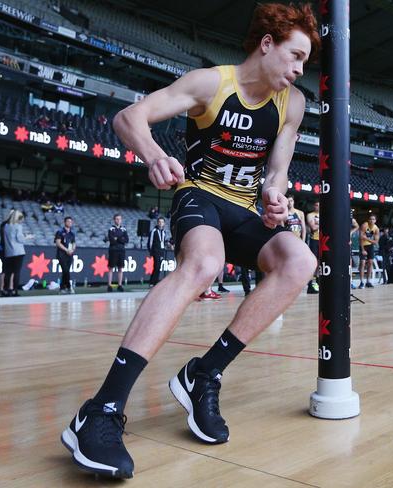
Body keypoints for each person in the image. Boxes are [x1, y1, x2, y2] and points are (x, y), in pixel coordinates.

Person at [61, 3, 319, 478]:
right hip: (198, 194)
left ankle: (204, 372)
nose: (301, 69)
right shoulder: (211, 84)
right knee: (204, 265)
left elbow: (278, 171)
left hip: (244, 207)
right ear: (267, 44)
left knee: (300, 262)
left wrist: (276, 196)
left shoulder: (293, 103)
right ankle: (100, 410)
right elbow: (130, 118)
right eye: (295, 55)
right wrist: (155, 154)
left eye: (306, 61)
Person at [3, 210, 31, 297]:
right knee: (16, 272)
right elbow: (20, 239)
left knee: (8, 272)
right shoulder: (18, 226)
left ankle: (8, 290)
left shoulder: (6, 226)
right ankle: (15, 290)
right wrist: (27, 237)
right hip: (18, 251)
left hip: (9, 251)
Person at [107, 214, 129, 292]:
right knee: (111, 268)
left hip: (121, 250)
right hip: (113, 250)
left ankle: (120, 285)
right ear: (114, 220)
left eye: (119, 219)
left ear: (121, 220)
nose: (118, 220)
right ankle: (109, 285)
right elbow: (112, 240)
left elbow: (126, 240)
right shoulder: (111, 229)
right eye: (116, 219)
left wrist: (118, 238)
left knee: (120, 268)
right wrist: (120, 239)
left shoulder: (124, 229)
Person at [55, 217, 76, 294]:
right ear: (65, 222)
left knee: (65, 271)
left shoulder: (72, 233)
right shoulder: (60, 232)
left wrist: (72, 250)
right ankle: (69, 287)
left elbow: (74, 243)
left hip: (69, 255)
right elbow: (58, 243)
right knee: (66, 270)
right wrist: (66, 250)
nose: (70, 223)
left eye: (71, 222)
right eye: (68, 221)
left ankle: (62, 288)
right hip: (62, 254)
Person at [0, 209, 14, 297]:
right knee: (7, 269)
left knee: (7, 269)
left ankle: (4, 289)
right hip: (5, 248)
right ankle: (5, 289)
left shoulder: (4, 224)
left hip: (3, 247)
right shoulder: (7, 225)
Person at [359, 214, 379, 288]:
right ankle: (361, 281)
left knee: (370, 263)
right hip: (363, 245)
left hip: (370, 246)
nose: (371, 220)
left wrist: (366, 238)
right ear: (368, 220)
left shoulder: (376, 228)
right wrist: (363, 249)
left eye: (373, 219)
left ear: (375, 221)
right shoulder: (364, 225)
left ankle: (368, 281)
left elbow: (376, 242)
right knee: (362, 263)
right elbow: (360, 238)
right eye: (370, 219)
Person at [147, 217, 167, 287]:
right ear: (157, 223)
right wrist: (151, 252)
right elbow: (150, 242)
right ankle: (152, 282)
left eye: (162, 222)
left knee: (159, 267)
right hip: (155, 251)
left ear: (164, 223)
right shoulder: (154, 231)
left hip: (161, 251)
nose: (160, 223)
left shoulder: (164, 232)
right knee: (156, 266)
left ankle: (155, 281)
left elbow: (163, 242)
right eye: (159, 222)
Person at [306, 200, 320, 294]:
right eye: (316, 205)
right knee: (313, 262)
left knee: (320, 262)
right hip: (314, 239)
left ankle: (318, 282)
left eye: (319, 205)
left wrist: (318, 223)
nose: (317, 207)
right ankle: (310, 284)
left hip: (323, 240)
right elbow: (313, 228)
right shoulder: (310, 215)